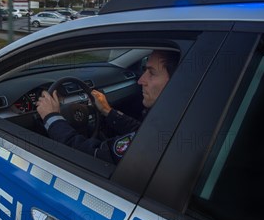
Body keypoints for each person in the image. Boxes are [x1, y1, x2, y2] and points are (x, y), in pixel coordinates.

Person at [36, 50, 179, 164]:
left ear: (177, 80)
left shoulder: (155, 138)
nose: (141, 80)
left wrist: (52, 118)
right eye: (144, 70)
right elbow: (139, 131)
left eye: (152, 73)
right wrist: (107, 111)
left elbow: (91, 156)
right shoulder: (174, 120)